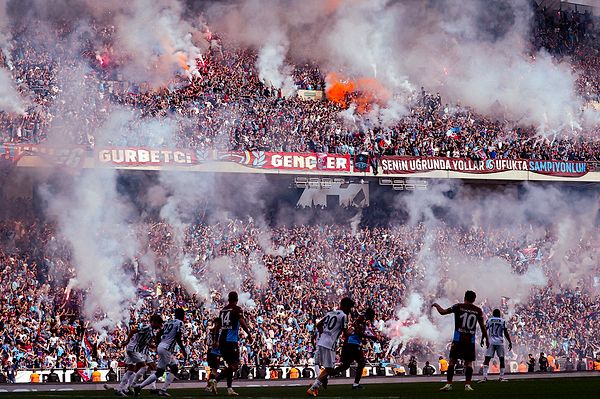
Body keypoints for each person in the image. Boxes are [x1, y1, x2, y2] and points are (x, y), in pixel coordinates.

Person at [432, 290, 488, 391]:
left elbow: (442, 312)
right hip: (470, 340)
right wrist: (486, 338)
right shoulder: (478, 310)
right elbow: (482, 326)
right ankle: (467, 385)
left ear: (464, 297)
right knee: (468, 363)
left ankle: (449, 384)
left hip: (458, 339)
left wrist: (436, 305)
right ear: (474, 299)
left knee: (452, 361)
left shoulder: (458, 306)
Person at [307, 297, 355, 397]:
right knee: (329, 369)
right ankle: (313, 387)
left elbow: (319, 324)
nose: (350, 310)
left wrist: (323, 333)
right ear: (345, 306)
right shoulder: (344, 316)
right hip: (329, 344)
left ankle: (316, 384)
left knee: (327, 368)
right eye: (349, 308)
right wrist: (353, 330)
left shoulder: (330, 313)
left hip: (321, 341)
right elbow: (346, 332)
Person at [208, 291, 253, 397]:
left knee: (230, 365)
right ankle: (215, 380)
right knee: (235, 365)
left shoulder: (223, 310)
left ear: (228, 299)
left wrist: (215, 340)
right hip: (231, 341)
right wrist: (249, 335)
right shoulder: (237, 309)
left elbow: (218, 326)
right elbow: (242, 322)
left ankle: (229, 388)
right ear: (237, 299)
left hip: (222, 340)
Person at [135, 308, 188, 397]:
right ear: (182, 315)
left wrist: (159, 344)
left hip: (162, 347)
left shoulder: (169, 322)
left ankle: (140, 387)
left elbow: (158, 334)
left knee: (164, 371)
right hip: (166, 348)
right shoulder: (180, 323)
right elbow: (178, 337)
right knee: (168, 370)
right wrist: (183, 350)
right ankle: (162, 390)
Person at [109, 314, 163, 396]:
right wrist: (127, 341)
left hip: (134, 349)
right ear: (154, 322)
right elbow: (133, 330)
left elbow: (145, 341)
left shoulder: (151, 330)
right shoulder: (147, 327)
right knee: (144, 367)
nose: (159, 325)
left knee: (131, 370)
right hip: (134, 349)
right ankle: (132, 385)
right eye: (158, 323)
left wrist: (152, 346)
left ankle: (120, 389)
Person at [330, 307, 377, 390]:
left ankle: (326, 375)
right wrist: (370, 337)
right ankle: (356, 384)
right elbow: (359, 332)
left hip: (349, 344)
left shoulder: (362, 319)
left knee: (345, 366)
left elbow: (357, 332)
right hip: (352, 344)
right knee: (361, 362)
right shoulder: (362, 319)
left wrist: (364, 339)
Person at [479, 309, 512, 383]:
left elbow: (485, 330)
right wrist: (510, 342)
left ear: (493, 314)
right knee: (501, 359)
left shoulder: (489, 320)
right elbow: (505, 332)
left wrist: (482, 339)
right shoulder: (502, 321)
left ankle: (484, 377)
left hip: (490, 341)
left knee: (487, 359)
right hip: (500, 342)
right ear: (499, 314)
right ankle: (501, 377)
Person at [204, 317, 221, 393]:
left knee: (213, 369)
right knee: (214, 369)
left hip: (209, 351)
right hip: (215, 351)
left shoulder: (208, 331)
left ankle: (209, 386)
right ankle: (211, 385)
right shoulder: (217, 331)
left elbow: (206, 342)